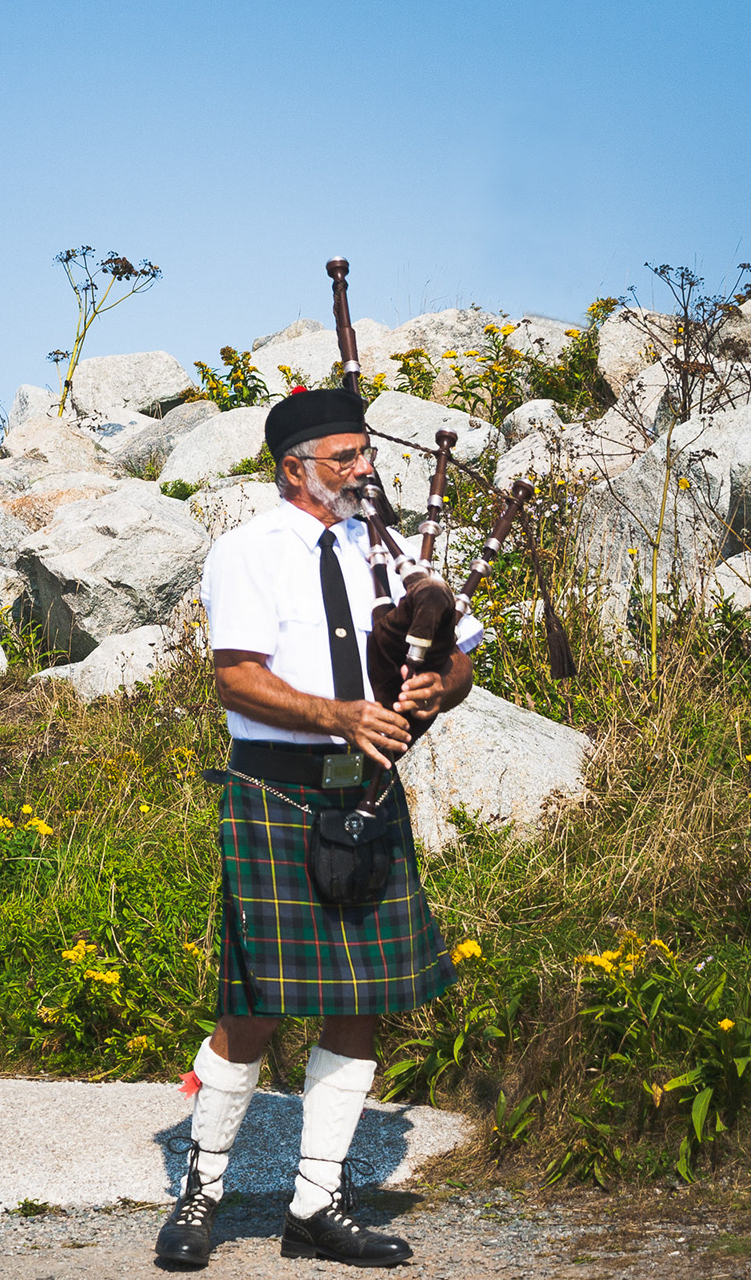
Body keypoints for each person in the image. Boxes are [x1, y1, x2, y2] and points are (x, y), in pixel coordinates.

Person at [155, 387, 481, 1269]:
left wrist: (432, 688)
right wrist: (339, 714)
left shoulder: (393, 553)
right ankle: (201, 1191)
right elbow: (236, 681)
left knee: (360, 998)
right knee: (255, 1007)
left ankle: (317, 1202)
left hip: (367, 789)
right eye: (345, 457)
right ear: (293, 468)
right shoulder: (249, 551)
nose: (365, 469)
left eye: (366, 452)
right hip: (279, 792)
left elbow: (460, 657)